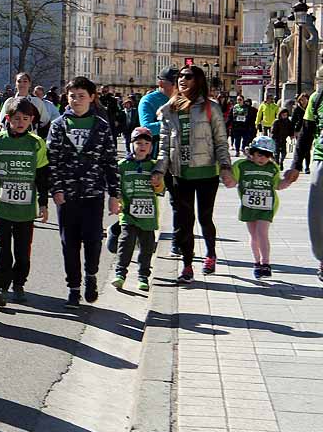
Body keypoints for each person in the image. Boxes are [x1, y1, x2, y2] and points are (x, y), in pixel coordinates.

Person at [153, 65, 234, 284]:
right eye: (180, 76)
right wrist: (159, 170)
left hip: (206, 173)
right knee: (184, 221)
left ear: (198, 80)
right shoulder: (169, 110)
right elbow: (164, 145)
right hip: (181, 174)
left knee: (205, 218)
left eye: (188, 76)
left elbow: (220, 140)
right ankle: (187, 265)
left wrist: (225, 167)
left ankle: (210, 254)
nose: (182, 80)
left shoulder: (210, 107)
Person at [47, 76, 122, 308]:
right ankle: (73, 288)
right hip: (67, 195)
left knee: (92, 240)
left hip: (93, 194)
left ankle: (91, 275)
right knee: (69, 243)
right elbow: (51, 161)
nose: (76, 100)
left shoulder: (101, 126)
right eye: (72, 96)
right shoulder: (58, 125)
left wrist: (114, 194)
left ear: (91, 97)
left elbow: (110, 161)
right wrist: (56, 189)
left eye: (81, 96)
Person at [0, 98, 49, 307]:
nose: (20, 123)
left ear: (31, 120)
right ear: (8, 119)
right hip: (1, 207)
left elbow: (42, 176)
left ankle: (18, 284)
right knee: (3, 250)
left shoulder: (36, 143)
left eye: (25, 119)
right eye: (16, 118)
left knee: (22, 253)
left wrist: (43, 203)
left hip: (25, 211)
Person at [232, 135, 294, 281]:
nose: (263, 159)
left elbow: (277, 185)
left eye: (267, 155)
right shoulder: (241, 165)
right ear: (252, 153)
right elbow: (232, 180)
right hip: (248, 206)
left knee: (262, 233)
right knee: (254, 235)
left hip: (267, 206)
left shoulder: (272, 167)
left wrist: (288, 181)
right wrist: (225, 173)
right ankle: (257, 262)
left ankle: (266, 263)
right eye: (259, 154)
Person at [285, 69, 323, 279]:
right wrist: (296, 165)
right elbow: (306, 134)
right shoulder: (317, 99)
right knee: (317, 213)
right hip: (322, 158)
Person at [114, 127, 161, 292]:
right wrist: (118, 200)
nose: (143, 147)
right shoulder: (123, 165)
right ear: (131, 144)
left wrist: (157, 183)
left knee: (147, 247)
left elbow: (161, 189)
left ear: (151, 147)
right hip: (128, 213)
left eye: (147, 144)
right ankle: (120, 273)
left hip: (148, 216)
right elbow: (115, 186)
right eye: (139, 143)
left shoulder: (154, 166)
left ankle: (143, 276)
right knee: (126, 242)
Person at [137, 68, 177, 134]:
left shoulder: (183, 99)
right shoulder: (148, 100)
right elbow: (147, 128)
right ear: (161, 83)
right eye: (174, 83)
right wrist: (175, 123)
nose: (178, 86)